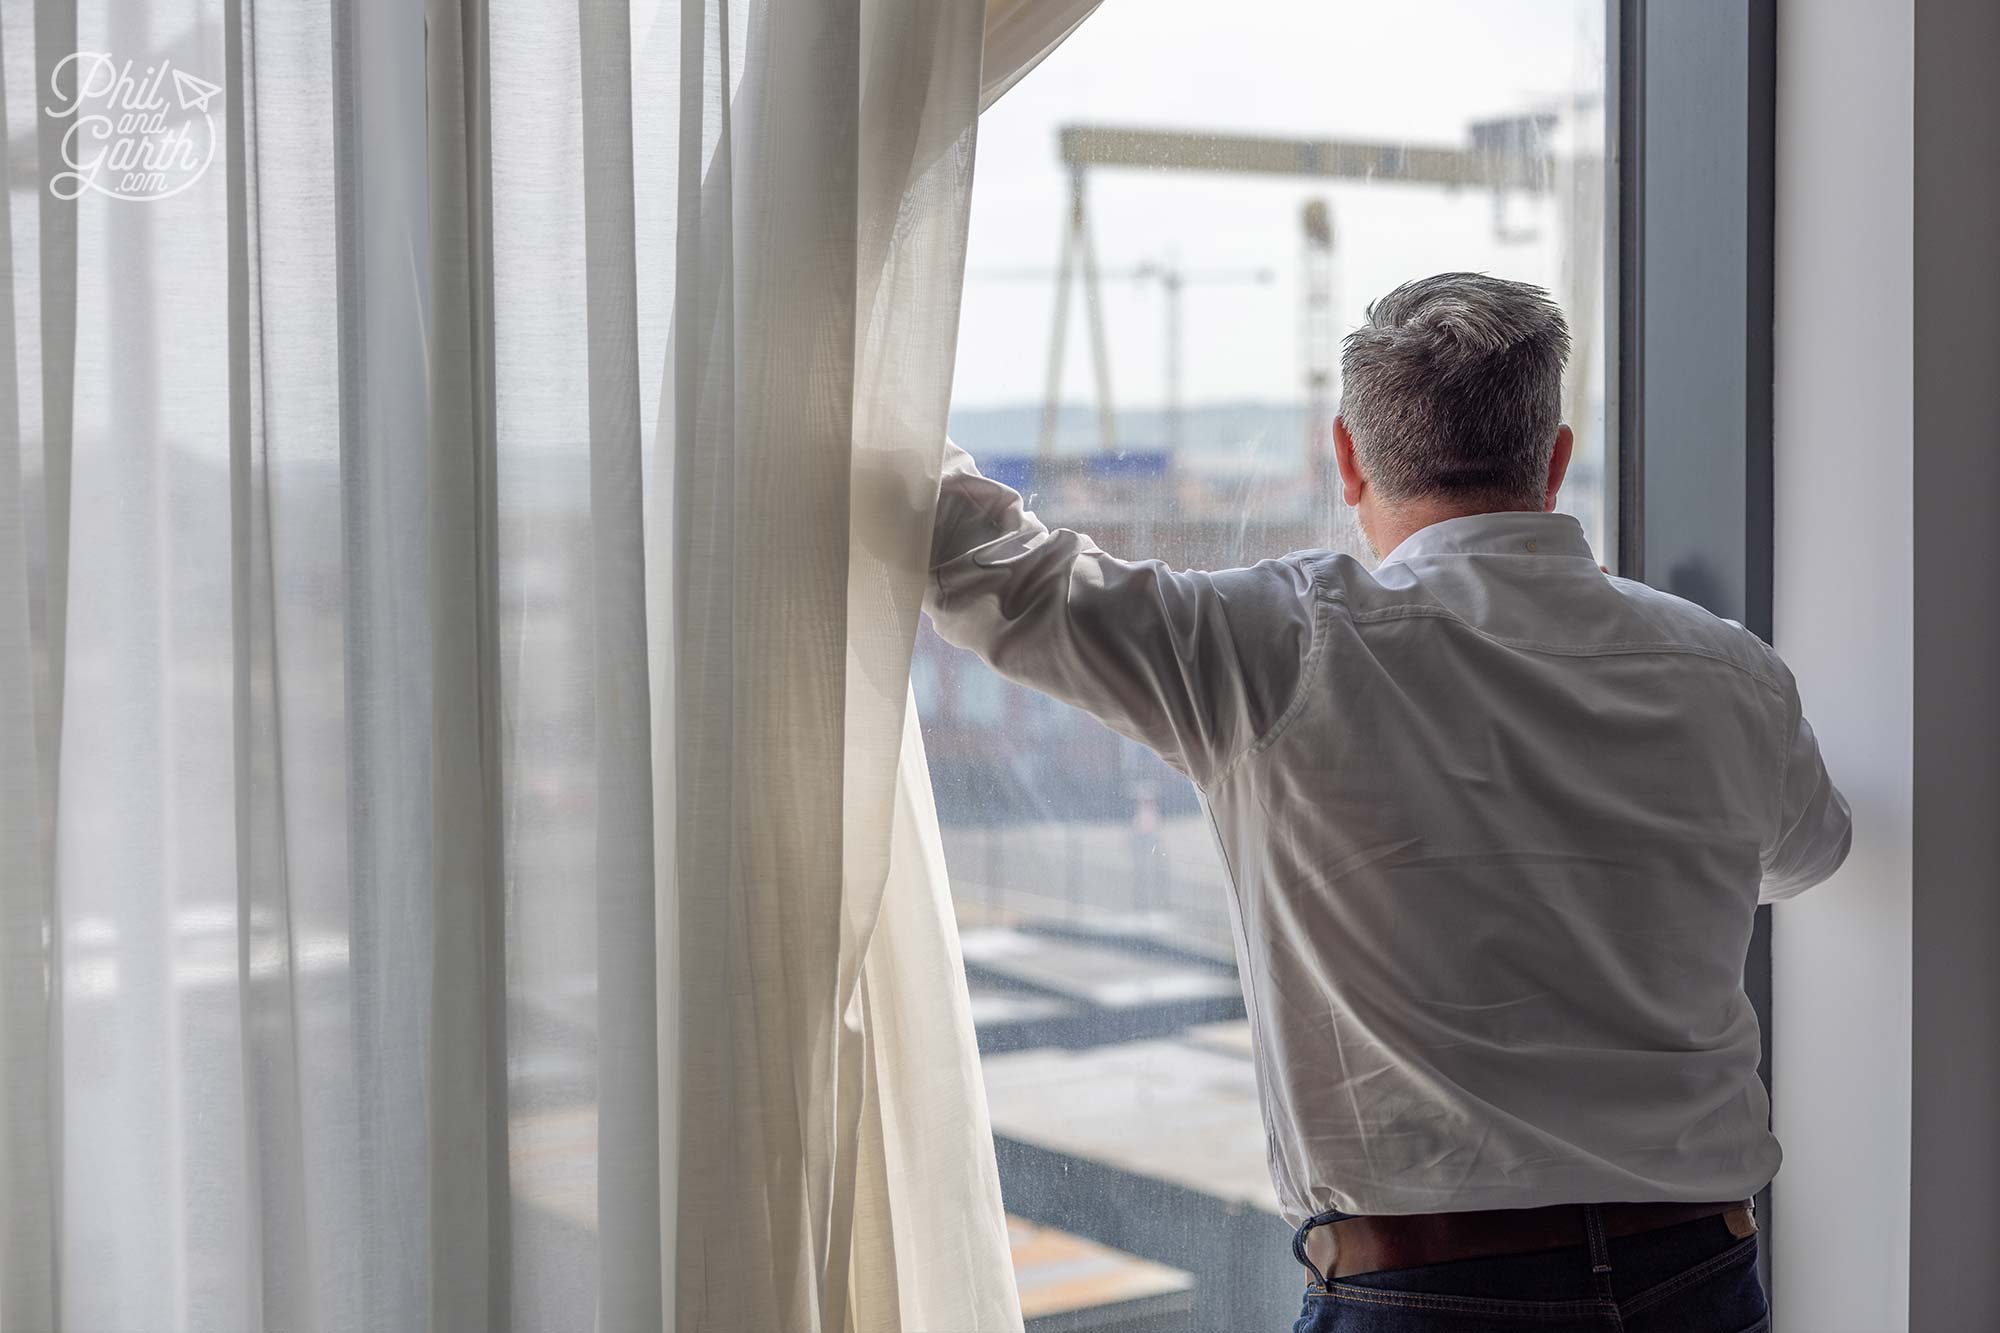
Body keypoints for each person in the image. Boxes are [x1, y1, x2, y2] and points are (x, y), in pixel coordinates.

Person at [923, 272, 1850, 1331]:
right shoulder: (1725, 670)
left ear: (1348, 458)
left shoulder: (1277, 646)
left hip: (1422, 1291)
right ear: (1552, 457)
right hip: (1696, 1281)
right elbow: (1803, 853)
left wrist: (864, 382)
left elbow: (997, 574)